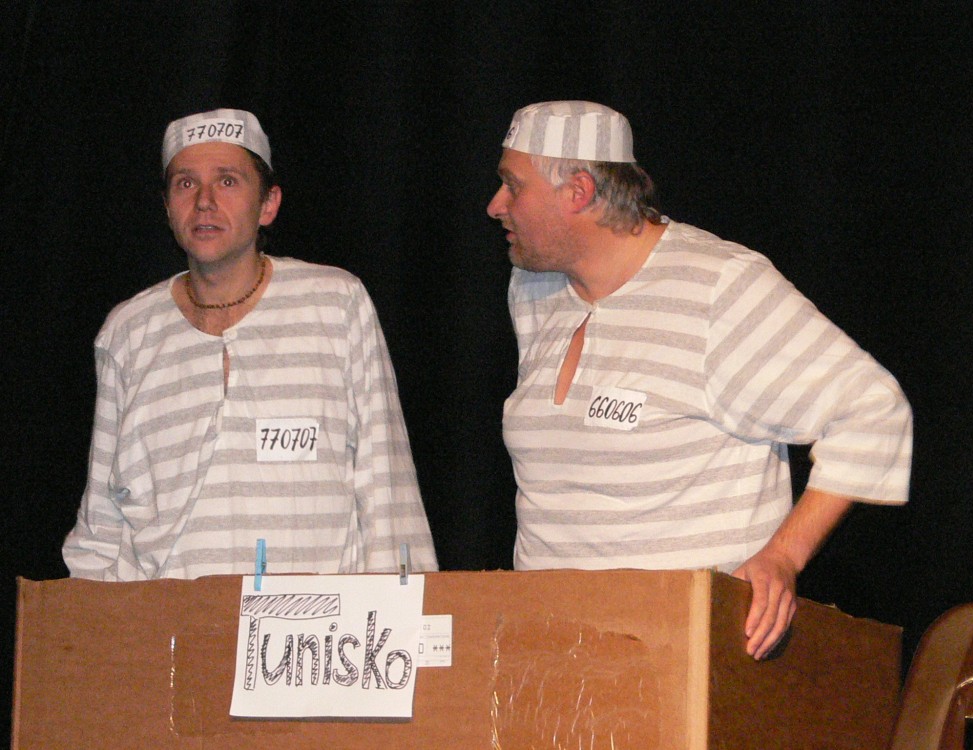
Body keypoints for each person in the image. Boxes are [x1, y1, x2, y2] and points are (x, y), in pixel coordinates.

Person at [487, 101, 912, 660]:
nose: (496, 205)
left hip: (678, 660)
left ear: (579, 192)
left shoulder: (720, 288)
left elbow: (872, 410)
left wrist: (783, 557)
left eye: (513, 186)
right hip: (548, 657)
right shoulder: (535, 290)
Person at [63, 108, 437, 580]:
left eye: (227, 181)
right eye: (185, 183)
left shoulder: (334, 304)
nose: (204, 202)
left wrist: (401, 610)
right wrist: (82, 616)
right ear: (167, 206)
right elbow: (103, 520)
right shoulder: (129, 332)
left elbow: (387, 486)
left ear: (268, 204)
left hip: (312, 620)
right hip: (173, 619)